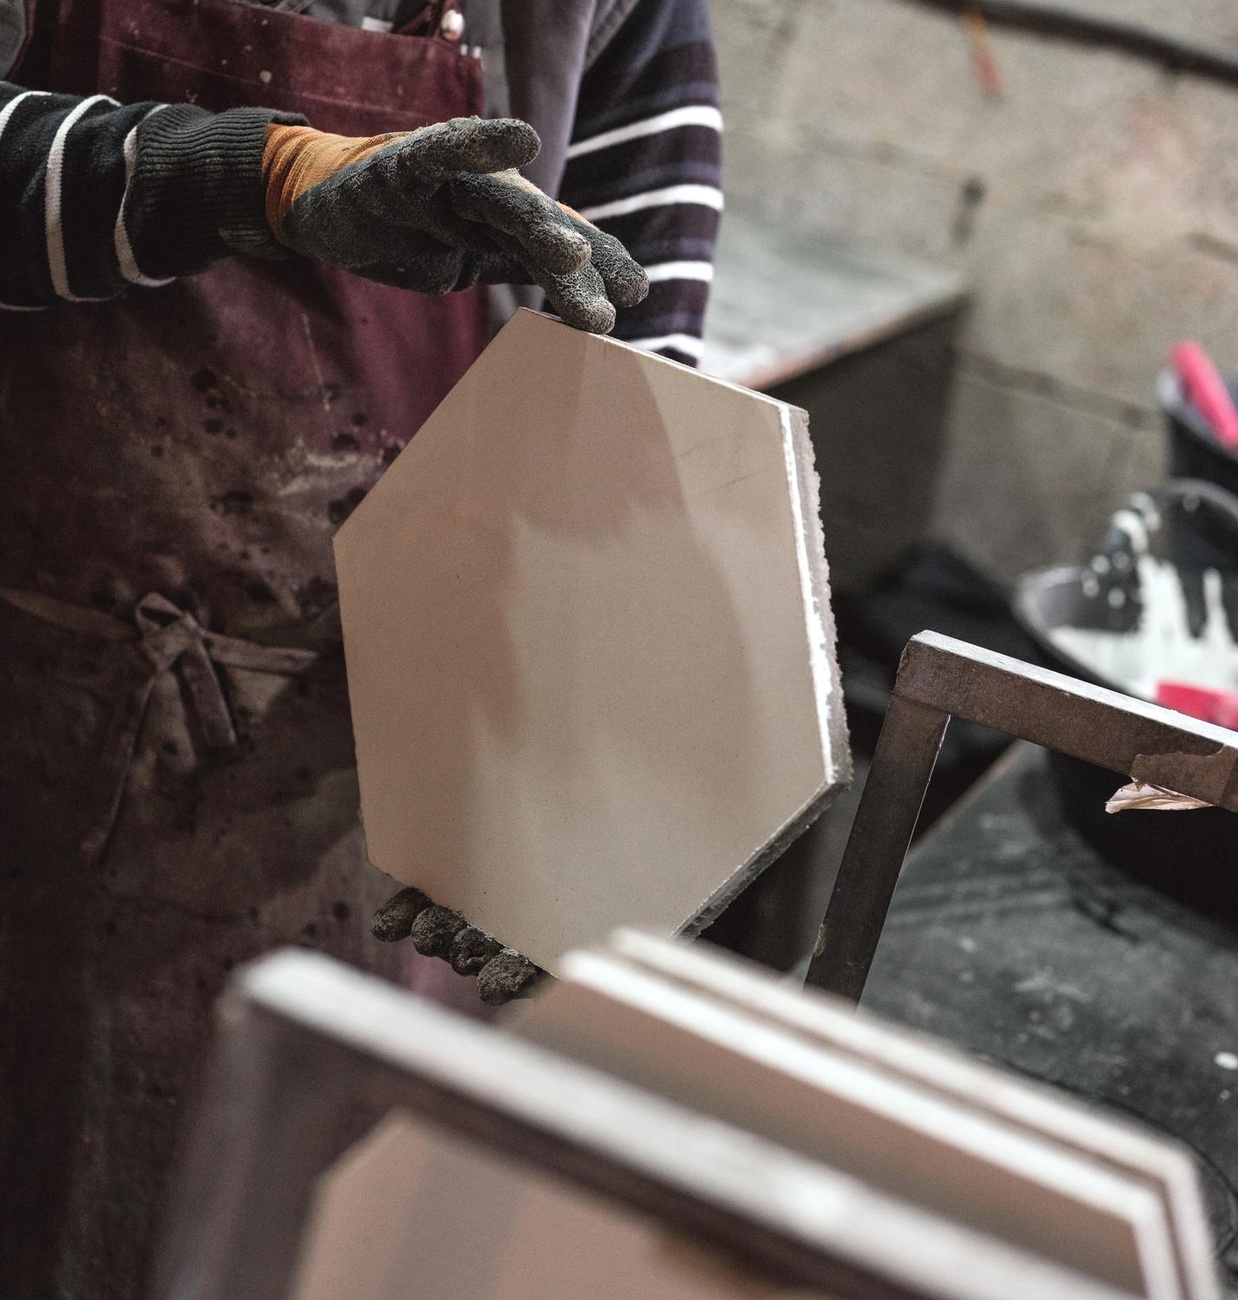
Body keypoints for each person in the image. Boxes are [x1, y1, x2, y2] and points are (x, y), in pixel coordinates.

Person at [0, 0, 721, 1294]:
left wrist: (594, 504)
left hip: (372, 766)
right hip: (31, 709)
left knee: (281, 1219)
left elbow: (640, 290)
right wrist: (241, 175)